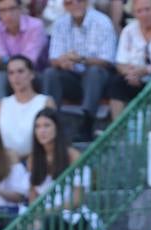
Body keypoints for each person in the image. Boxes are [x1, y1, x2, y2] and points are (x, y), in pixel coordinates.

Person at [42, 0, 117, 142]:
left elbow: (107, 60)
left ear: (86, 2)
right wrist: (62, 62)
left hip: (100, 79)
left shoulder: (102, 22)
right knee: (50, 73)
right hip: (72, 77)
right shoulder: (60, 23)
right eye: (69, 2)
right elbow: (53, 58)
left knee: (94, 72)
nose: (75, 5)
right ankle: (49, 120)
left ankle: (87, 122)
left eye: (79, 1)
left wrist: (80, 59)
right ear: (65, 6)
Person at [0, 55, 54, 161]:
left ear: (31, 74)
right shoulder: (0, 105)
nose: (16, 77)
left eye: (20, 71)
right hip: (5, 163)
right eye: (11, 73)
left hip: (37, 162)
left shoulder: (45, 102)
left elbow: (52, 138)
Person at [0, 0, 48, 103]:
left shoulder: (36, 26)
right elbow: (1, 55)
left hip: (36, 74)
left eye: (12, 9)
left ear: (21, 9)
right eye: (3, 10)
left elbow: (29, 61)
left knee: (19, 72)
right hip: (10, 73)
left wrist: (2, 59)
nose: (8, 14)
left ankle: (45, 110)